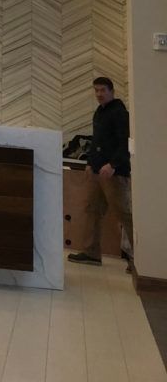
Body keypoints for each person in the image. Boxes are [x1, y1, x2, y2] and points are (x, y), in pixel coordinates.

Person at [68, 77, 134, 271]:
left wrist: (113, 164)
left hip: (114, 172)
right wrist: (90, 164)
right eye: (96, 90)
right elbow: (97, 140)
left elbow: (125, 143)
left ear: (111, 91)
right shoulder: (100, 112)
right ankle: (91, 253)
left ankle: (140, 259)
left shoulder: (119, 113)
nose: (99, 94)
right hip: (97, 171)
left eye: (102, 90)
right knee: (92, 211)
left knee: (124, 213)